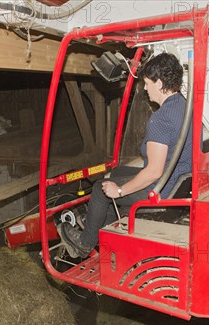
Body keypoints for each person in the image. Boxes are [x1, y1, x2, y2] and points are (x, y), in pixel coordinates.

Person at [58, 52, 192, 258]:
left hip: (162, 189)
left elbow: (154, 171)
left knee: (100, 189)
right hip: (177, 182)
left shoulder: (161, 119)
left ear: (160, 82)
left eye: (147, 83)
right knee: (117, 171)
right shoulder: (186, 105)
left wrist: (119, 191)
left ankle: (84, 244)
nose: (145, 88)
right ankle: (105, 227)